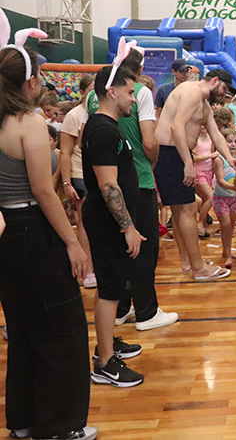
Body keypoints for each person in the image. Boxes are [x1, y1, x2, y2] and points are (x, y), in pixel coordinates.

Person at [0, 28, 96, 439]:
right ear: (31, 82)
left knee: (22, 328)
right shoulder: (29, 122)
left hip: (6, 235)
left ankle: (23, 419)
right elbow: (42, 190)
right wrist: (73, 242)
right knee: (62, 328)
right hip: (32, 229)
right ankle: (59, 425)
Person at [86, 49, 179, 332]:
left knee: (120, 258)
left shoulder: (93, 99)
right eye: (129, 92)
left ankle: (121, 308)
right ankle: (146, 311)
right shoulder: (139, 95)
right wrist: (151, 163)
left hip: (113, 185)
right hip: (133, 182)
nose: (133, 96)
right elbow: (149, 143)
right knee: (143, 249)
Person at [81, 64, 146, 388]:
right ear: (112, 92)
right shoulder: (104, 130)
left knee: (113, 286)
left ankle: (107, 344)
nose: (134, 99)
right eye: (130, 92)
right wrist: (128, 227)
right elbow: (108, 186)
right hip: (108, 223)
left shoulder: (108, 126)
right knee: (109, 290)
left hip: (110, 222)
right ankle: (105, 363)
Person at [154, 69, 236, 280]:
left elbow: (216, 134)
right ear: (215, 80)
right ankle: (198, 267)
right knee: (187, 208)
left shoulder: (203, 103)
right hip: (171, 154)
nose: (224, 94)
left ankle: (188, 263)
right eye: (224, 89)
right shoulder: (192, 92)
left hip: (174, 154)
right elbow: (176, 127)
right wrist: (188, 162)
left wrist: (230, 158)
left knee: (180, 210)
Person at [60, 74, 98, 289]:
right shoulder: (74, 116)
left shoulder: (102, 113)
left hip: (101, 174)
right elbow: (65, 152)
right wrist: (67, 183)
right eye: (91, 90)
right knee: (84, 221)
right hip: (80, 174)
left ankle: (99, 266)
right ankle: (89, 270)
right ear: (82, 93)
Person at [212, 128, 236, 270]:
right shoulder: (219, 159)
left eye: (235, 141)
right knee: (225, 225)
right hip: (221, 198)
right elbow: (220, 181)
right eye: (229, 141)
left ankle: (227, 250)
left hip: (234, 198)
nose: (233, 144)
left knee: (231, 227)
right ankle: (228, 254)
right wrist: (235, 188)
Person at [193, 125, 217, 238]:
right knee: (211, 197)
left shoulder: (211, 138)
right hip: (199, 171)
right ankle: (200, 222)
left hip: (209, 171)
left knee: (204, 200)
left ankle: (200, 223)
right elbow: (194, 158)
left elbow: (213, 158)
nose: (203, 126)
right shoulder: (195, 138)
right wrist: (210, 155)